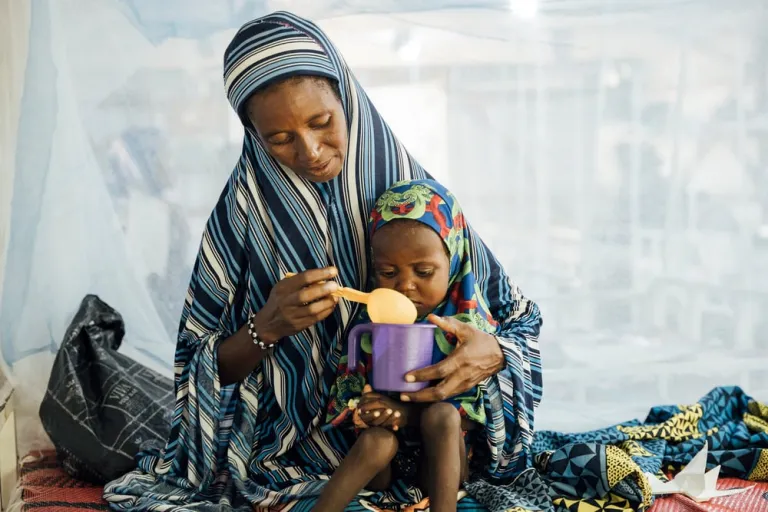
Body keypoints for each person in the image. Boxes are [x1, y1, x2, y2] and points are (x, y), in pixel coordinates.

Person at [103, 11, 542, 512]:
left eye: (321, 122)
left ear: (346, 99)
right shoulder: (241, 218)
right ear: (253, 136)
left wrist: (491, 354)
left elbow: (518, 324)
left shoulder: (419, 200)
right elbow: (199, 373)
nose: (310, 151)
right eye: (280, 138)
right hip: (294, 452)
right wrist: (266, 327)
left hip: (437, 430)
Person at [318, 179, 497, 512]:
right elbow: (347, 397)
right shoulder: (370, 325)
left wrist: (406, 413)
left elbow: (476, 416)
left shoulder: (471, 330)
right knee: (376, 440)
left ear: (454, 261)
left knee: (443, 416)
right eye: (387, 272)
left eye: (424, 271)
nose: (405, 285)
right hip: (383, 468)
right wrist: (365, 409)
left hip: (442, 466)